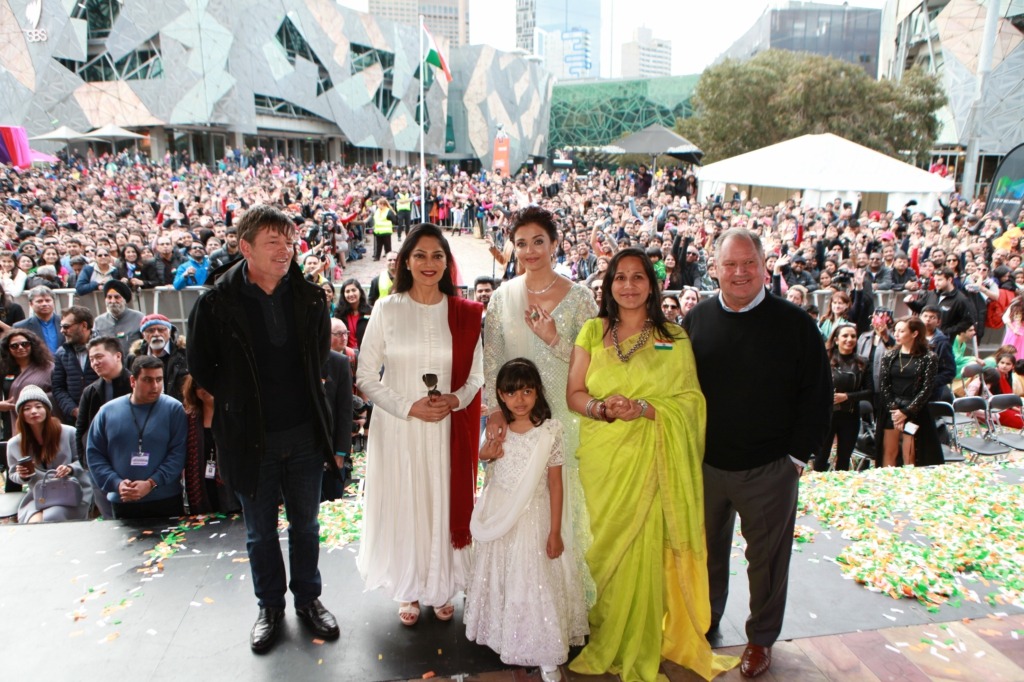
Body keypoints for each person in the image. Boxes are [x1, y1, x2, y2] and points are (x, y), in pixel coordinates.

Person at [567, 249, 736, 682]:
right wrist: (603, 408)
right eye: (619, 277)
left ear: (651, 285)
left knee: (643, 552)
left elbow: (690, 402)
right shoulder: (591, 330)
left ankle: (642, 636)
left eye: (637, 277)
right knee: (599, 548)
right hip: (603, 460)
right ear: (608, 286)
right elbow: (574, 394)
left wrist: (643, 408)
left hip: (652, 459)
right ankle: (602, 629)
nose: (628, 285)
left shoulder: (674, 337)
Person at [187, 204, 340, 653]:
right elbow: (202, 366)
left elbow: (318, 363)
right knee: (259, 531)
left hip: (305, 435)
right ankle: (269, 606)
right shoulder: (216, 302)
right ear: (245, 247)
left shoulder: (311, 297)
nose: (286, 251)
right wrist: (238, 401)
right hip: (249, 439)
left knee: (306, 526)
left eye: (290, 242)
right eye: (274, 242)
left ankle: (308, 600)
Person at [683, 229, 832, 679]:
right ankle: (705, 624)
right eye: (730, 264)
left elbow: (818, 394)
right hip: (706, 466)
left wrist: (797, 458)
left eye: (749, 263)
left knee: (767, 563)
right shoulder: (696, 320)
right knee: (704, 553)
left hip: (770, 469)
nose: (740, 272)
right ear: (716, 268)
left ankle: (761, 639)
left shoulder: (796, 324)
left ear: (766, 266)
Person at [356, 223, 484, 628]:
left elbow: (477, 377)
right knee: (407, 502)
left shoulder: (462, 313)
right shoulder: (387, 309)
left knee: (440, 501)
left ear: (448, 263)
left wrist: (455, 400)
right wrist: (408, 406)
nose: (429, 263)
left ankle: (443, 585)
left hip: (446, 428)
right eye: (420, 255)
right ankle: (410, 586)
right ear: (406, 262)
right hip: (399, 428)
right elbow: (365, 376)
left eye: (438, 256)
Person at [482, 205, 599, 606]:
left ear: (554, 243)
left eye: (538, 241)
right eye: (521, 243)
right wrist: (494, 412)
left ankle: (565, 605)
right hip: (515, 422)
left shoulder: (581, 298)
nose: (530, 250)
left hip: (565, 418)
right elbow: (492, 361)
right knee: (519, 509)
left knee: (563, 504)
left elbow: (596, 366)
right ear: (512, 248)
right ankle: (515, 606)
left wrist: (553, 339)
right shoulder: (502, 299)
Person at [464, 358, 588, 682]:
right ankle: (507, 636)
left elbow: (556, 483)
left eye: (527, 392)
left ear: (537, 393)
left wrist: (556, 531)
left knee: (536, 582)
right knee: (506, 577)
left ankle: (546, 653)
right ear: (501, 396)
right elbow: (483, 457)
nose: (519, 400)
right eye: (511, 393)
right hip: (501, 513)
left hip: (536, 517)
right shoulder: (498, 429)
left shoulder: (550, 432)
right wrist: (489, 452)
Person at [86, 356, 187, 519]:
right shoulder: (107, 411)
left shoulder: (174, 409)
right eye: (147, 380)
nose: (155, 386)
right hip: (123, 500)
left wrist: (151, 483)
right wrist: (117, 483)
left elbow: (178, 453)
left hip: (165, 498)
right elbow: (94, 454)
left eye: (159, 379)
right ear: (133, 380)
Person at [6, 385, 92, 523]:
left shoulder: (68, 432)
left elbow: (84, 461)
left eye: (38, 406)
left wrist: (70, 468)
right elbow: (12, 474)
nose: (33, 411)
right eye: (27, 409)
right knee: (34, 522)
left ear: (47, 409)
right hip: (39, 495)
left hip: (71, 492)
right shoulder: (15, 443)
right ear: (20, 414)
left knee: (51, 517)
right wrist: (22, 476)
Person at [815, 323, 873, 472]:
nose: (849, 339)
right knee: (821, 456)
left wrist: (846, 396)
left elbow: (869, 391)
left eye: (853, 336)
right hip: (826, 415)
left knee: (844, 459)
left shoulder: (863, 362)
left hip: (850, 415)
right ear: (836, 340)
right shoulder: (824, 358)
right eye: (845, 336)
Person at [180, 374, 240, 515]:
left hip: (231, 482)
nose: (204, 389)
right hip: (201, 484)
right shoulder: (188, 418)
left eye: (208, 384)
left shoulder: (234, 415)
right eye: (198, 385)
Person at [0, 329, 54, 439]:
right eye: (14, 346)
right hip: (12, 421)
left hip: (43, 420)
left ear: (32, 345)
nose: (20, 348)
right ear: (7, 349)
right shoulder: (3, 369)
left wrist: (34, 401)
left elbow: (58, 393)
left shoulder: (48, 368)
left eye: (25, 344)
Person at [52, 306, 98, 425]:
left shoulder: (107, 348)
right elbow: (58, 388)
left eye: (66, 326)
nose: (62, 331)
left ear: (84, 326)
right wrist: (74, 410)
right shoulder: (61, 353)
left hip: (104, 415)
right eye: (61, 327)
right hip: (75, 421)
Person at [127, 314, 189, 402]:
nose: (156, 334)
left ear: (169, 331)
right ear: (143, 334)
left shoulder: (184, 354)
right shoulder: (134, 358)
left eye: (161, 329)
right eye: (150, 330)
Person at [92, 280, 144, 356]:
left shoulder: (139, 318)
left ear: (125, 300)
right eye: (109, 297)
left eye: (117, 297)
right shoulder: (99, 321)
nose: (113, 301)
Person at [14, 286, 63, 354]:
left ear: (53, 302)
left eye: (48, 300)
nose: (44, 304)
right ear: (31, 304)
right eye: (39, 301)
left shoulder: (64, 322)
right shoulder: (21, 327)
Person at [335, 278, 372, 350]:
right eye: (347, 291)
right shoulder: (339, 313)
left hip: (366, 353)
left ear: (360, 292)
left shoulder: (370, 311)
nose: (351, 294)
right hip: (345, 354)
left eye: (353, 290)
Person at [368, 197, 398, 261]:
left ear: (382, 204)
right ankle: (377, 257)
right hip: (378, 231)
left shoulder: (388, 211)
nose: (377, 205)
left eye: (378, 204)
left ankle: (389, 257)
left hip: (386, 231)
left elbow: (394, 220)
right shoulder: (377, 211)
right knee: (378, 245)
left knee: (387, 246)